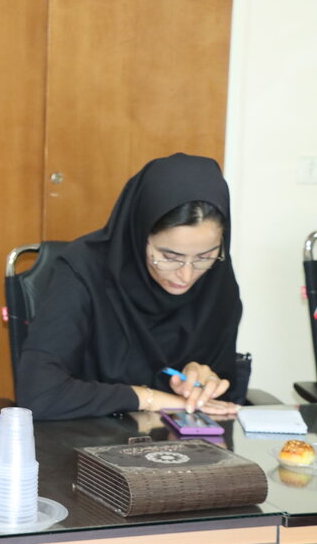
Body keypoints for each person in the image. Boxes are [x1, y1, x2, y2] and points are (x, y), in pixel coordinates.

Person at [16, 153, 245, 420]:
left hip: (183, 440)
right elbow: (39, 394)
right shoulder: (83, 269)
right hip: (87, 435)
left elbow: (223, 401)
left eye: (204, 257)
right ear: (139, 235)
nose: (186, 275)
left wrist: (203, 383)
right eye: (169, 257)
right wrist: (151, 399)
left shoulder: (217, 282)